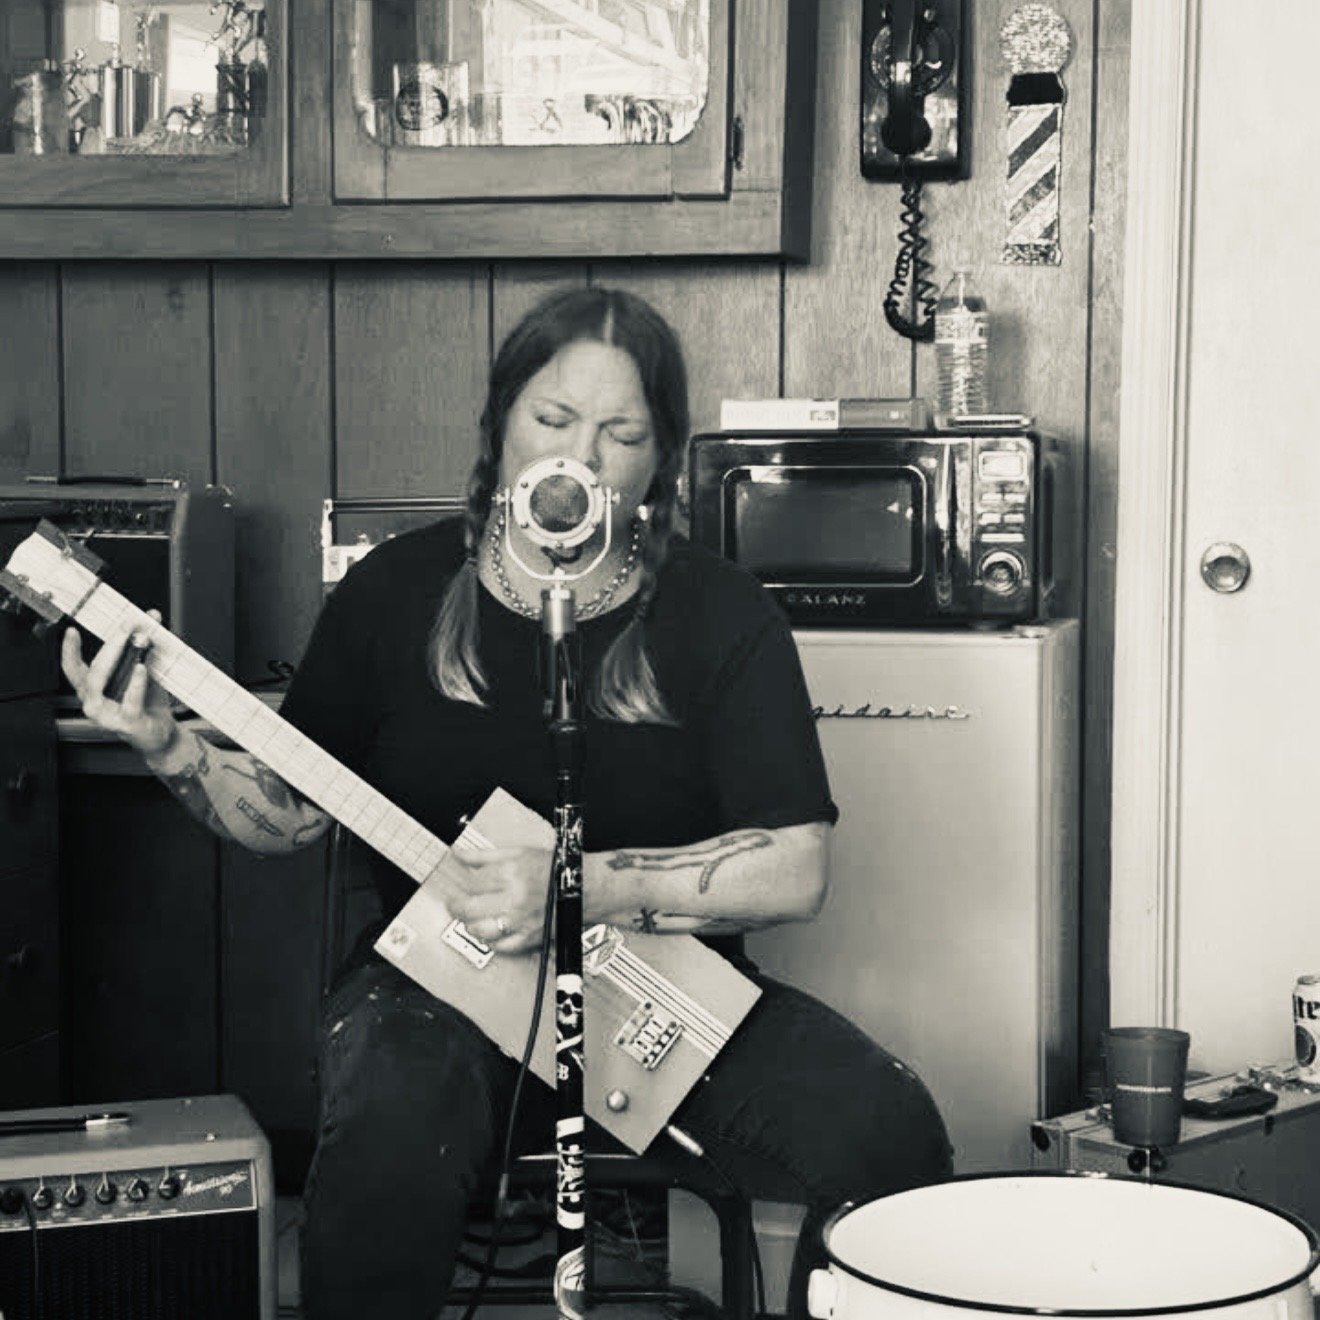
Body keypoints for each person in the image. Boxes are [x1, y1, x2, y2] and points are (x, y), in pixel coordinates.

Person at [62, 286, 953, 1319]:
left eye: (623, 434)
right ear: (499, 425)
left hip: (657, 1002)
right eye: (552, 419)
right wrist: (171, 747)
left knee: (888, 1130)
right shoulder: (392, 593)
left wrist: (579, 887)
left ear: (661, 460)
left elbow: (796, 868)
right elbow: (287, 814)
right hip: (427, 997)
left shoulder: (723, 613)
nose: (582, 456)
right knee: (391, 1132)